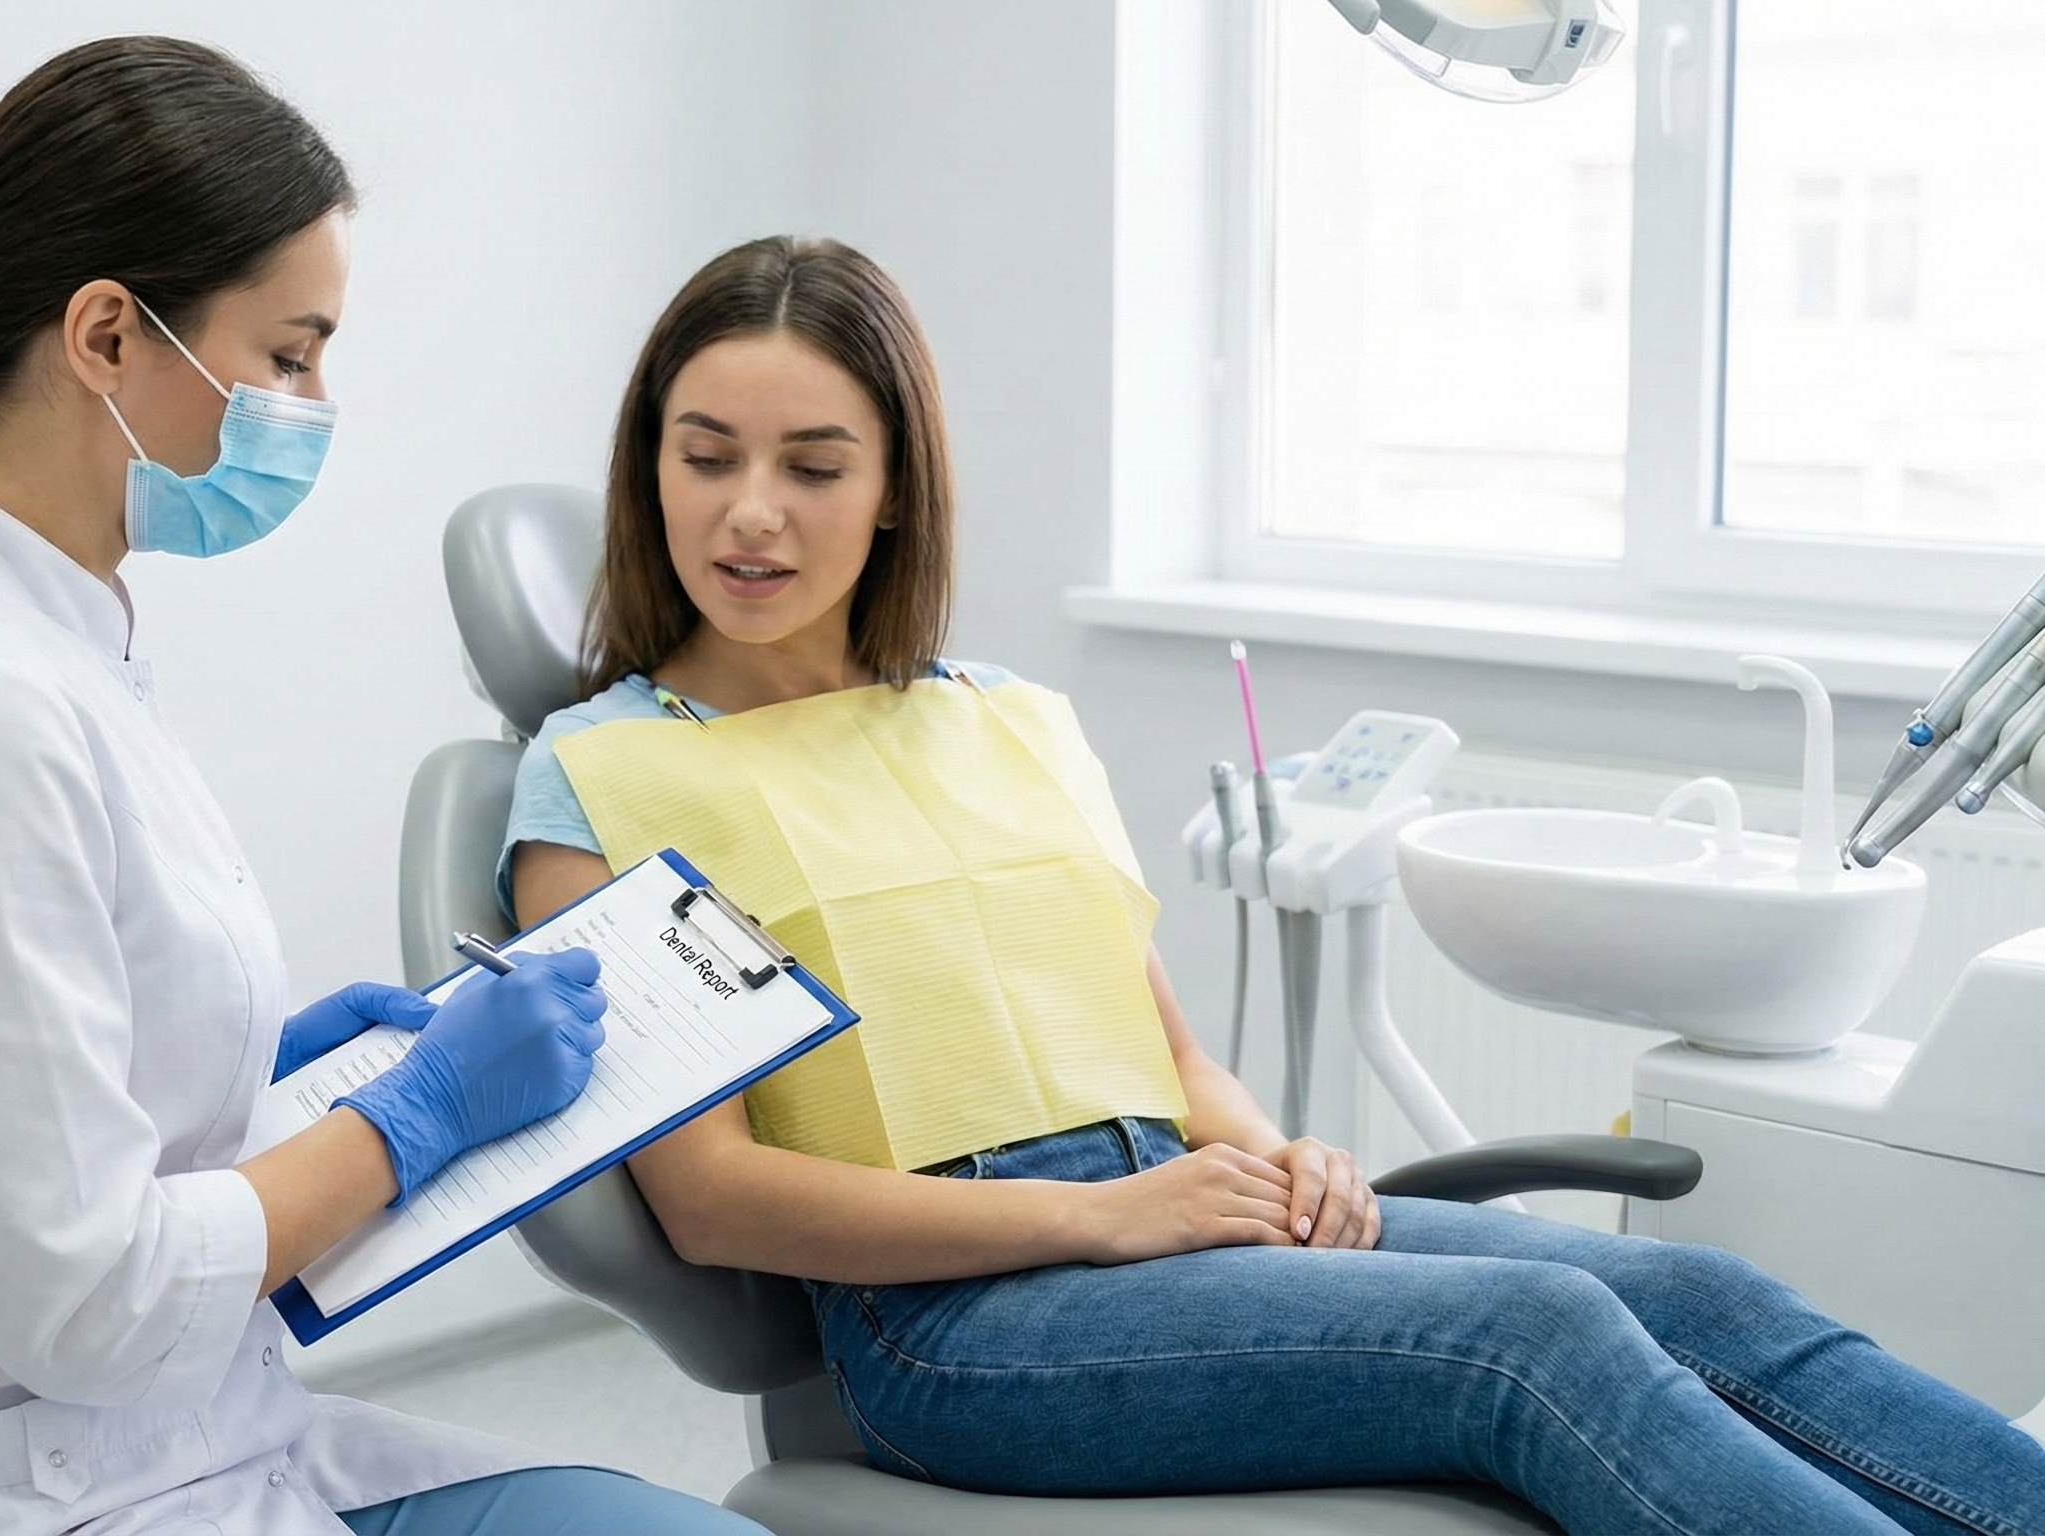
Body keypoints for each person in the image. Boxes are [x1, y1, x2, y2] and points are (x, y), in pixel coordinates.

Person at [503, 234, 2045, 1536]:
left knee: (1707, 1301)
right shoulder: (605, 783)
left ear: (895, 485)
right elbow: (708, 1201)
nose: (748, 510)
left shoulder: (1000, 719)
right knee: (1533, 1336)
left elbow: (1170, 1060)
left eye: (811, 465)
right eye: (704, 457)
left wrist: (1283, 1160)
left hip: (1176, 1211)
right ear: (651, 469)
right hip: (956, 1326)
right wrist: (1102, 1221)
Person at [0, 37, 764, 1536]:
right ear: (105, 337)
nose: (311, 404)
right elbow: (88, 1307)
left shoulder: (52, 632)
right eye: (287, 355)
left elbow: (56, 1077)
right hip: (3, 1480)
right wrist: (414, 1117)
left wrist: (257, 1079)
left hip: (167, 1437)